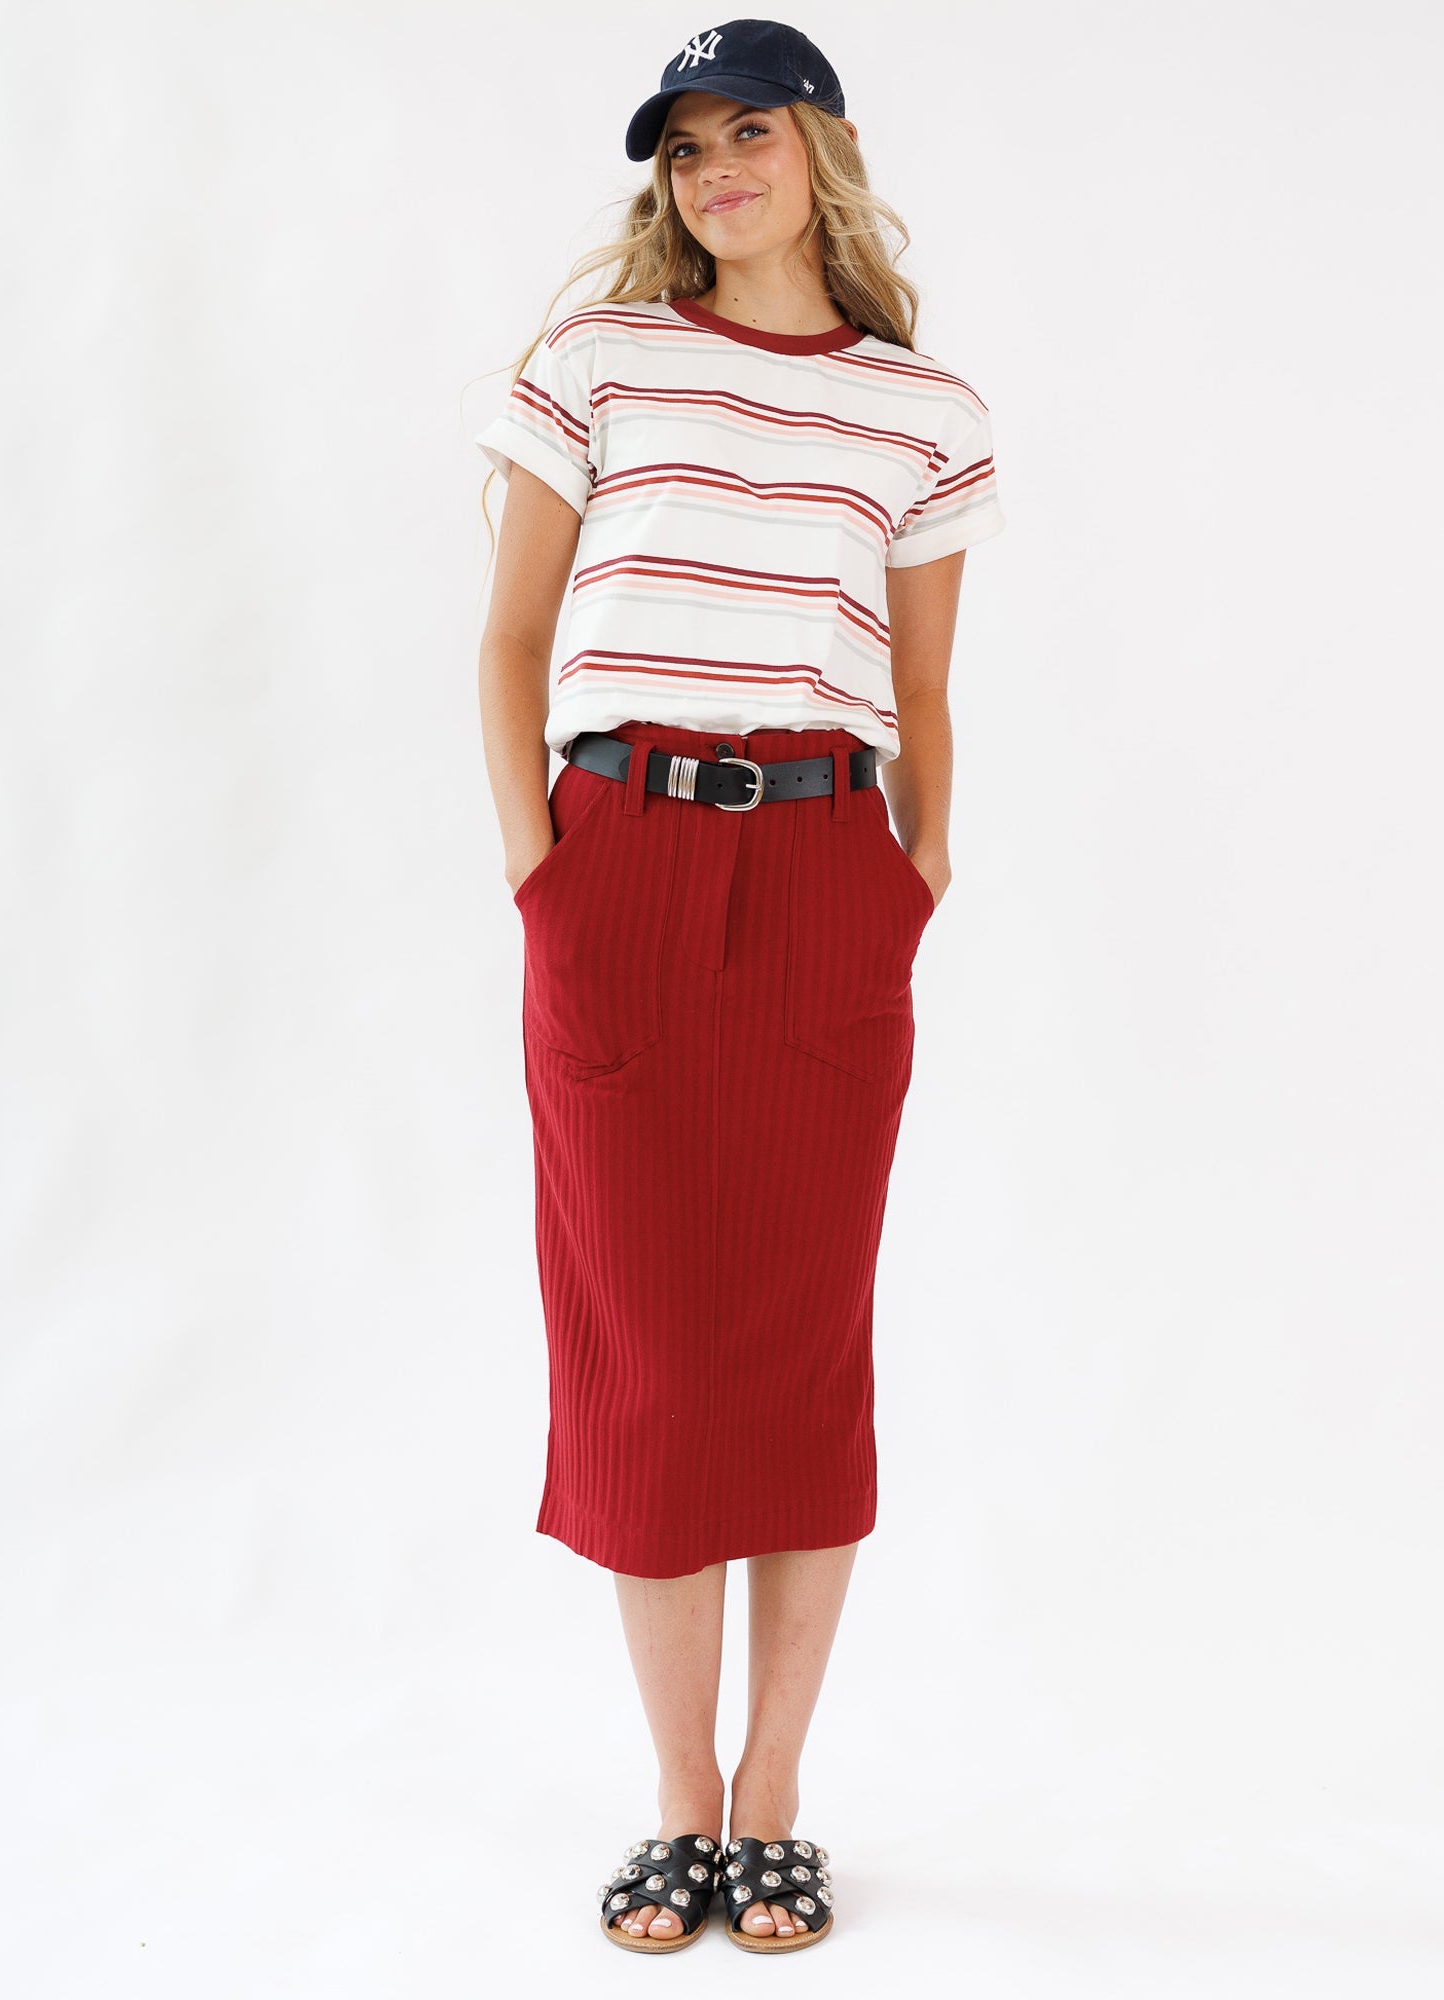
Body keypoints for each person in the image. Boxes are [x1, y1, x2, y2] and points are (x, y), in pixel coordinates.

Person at [472, 18, 1005, 1954]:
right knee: (647, 1361)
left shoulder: (920, 411)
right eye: (686, 145)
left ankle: (772, 1796)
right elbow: (513, 636)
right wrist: (545, 876)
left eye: (749, 133)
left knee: (792, 1348)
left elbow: (925, 686)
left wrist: (903, 880)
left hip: (817, 870)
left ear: (819, 151)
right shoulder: (591, 365)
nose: (715, 171)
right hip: (617, 860)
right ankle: (675, 1802)